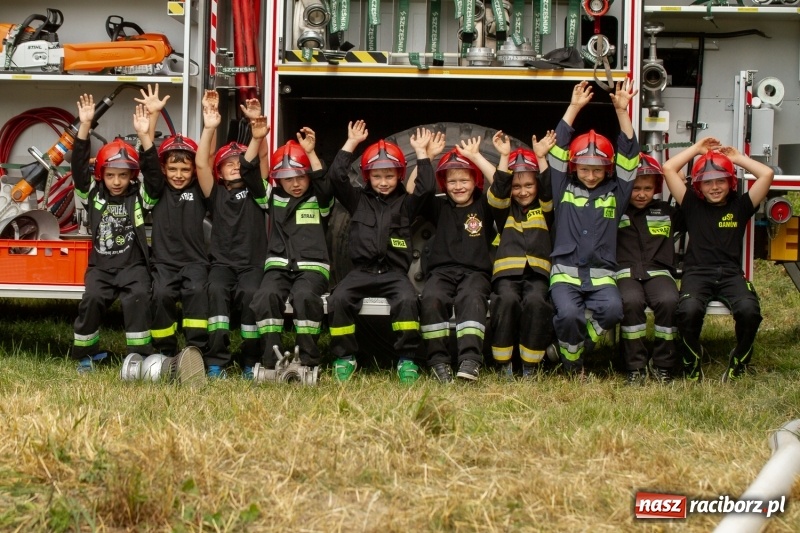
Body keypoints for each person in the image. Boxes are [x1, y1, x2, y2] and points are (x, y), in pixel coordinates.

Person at [326, 120, 435, 383]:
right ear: (367, 177)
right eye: (377, 176)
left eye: (389, 176)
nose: (383, 182)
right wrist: (351, 142)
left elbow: (427, 188)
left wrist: (421, 153)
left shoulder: (406, 205)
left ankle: (407, 360)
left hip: (394, 274)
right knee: (338, 299)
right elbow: (336, 177)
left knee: (407, 301)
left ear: (400, 175)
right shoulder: (357, 200)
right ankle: (345, 357)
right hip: (361, 273)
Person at [547, 80, 640, 377]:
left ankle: (572, 348)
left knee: (613, 310)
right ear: (574, 167)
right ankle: (573, 366)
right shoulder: (562, 188)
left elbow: (630, 158)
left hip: (601, 276)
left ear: (608, 169)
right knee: (569, 314)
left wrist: (622, 112)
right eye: (584, 169)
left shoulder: (617, 193)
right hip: (565, 275)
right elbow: (557, 151)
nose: (590, 175)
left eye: (597, 169)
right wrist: (573, 108)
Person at [662, 138, 773, 382]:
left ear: (731, 182)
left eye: (721, 180)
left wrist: (738, 158)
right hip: (697, 273)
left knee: (750, 311)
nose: (714, 187)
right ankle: (692, 359)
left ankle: (739, 360)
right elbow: (669, 168)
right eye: (707, 182)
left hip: (730, 274)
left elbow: (767, 174)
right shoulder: (691, 204)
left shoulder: (741, 206)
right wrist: (697, 150)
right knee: (688, 311)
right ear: (698, 186)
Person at [70, 93, 156, 372]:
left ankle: (139, 357)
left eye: (123, 175)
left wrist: (144, 137)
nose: (117, 181)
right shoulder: (92, 194)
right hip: (101, 268)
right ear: (101, 175)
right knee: (92, 300)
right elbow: (78, 167)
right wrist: (85, 126)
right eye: (110, 175)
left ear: (132, 175)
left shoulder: (141, 196)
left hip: (133, 267)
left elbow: (154, 176)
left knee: (138, 297)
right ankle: (86, 354)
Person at [195, 90, 269, 378]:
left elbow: (261, 159)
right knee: (215, 294)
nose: (236, 166)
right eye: (229, 163)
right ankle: (216, 361)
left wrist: (256, 126)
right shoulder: (215, 194)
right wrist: (209, 127)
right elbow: (202, 163)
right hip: (222, 265)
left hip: (252, 265)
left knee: (251, 296)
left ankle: (251, 359)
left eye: (240, 162)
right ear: (220, 171)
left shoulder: (257, 191)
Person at [248, 128, 332, 372]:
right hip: (278, 267)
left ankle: (308, 358)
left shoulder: (320, 198)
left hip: (312, 268)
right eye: (287, 178)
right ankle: (271, 358)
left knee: (305, 297)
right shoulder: (272, 197)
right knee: (265, 296)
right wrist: (256, 138)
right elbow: (247, 171)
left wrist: (310, 153)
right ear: (278, 179)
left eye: (301, 177)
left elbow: (324, 183)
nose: (295, 184)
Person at [133, 95, 210, 358]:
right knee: (161, 295)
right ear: (164, 169)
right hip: (164, 264)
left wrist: (210, 126)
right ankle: (165, 350)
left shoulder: (200, 190)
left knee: (197, 292)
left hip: (196, 263)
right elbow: (149, 164)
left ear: (193, 171)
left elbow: (204, 161)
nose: (178, 175)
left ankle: (196, 351)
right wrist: (150, 122)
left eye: (185, 169)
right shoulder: (157, 190)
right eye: (173, 168)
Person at [418, 136, 498, 383]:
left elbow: (501, 183)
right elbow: (416, 191)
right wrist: (426, 157)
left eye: (465, 180)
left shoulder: (485, 205)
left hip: (475, 273)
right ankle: (438, 362)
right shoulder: (438, 207)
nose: (458, 186)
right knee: (431, 299)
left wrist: (475, 157)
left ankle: (470, 361)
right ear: (444, 184)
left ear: (476, 181)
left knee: (471, 299)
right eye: (452, 181)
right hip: (441, 273)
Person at [485, 131, 557, 379]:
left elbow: (549, 190)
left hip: (537, 274)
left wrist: (541, 158)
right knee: (505, 302)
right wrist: (504, 157)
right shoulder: (504, 209)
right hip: (506, 274)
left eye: (529, 185)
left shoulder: (545, 208)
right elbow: (498, 192)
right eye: (516, 186)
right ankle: (504, 363)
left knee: (537, 303)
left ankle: (530, 365)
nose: (523, 192)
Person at [615, 154, 680, 385]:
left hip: (659, 272)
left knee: (669, 301)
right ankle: (635, 366)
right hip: (626, 273)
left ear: (657, 188)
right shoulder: (615, 210)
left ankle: (663, 365)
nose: (641, 194)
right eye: (635, 188)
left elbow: (690, 203)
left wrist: (678, 178)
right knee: (631, 302)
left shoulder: (666, 211)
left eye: (648, 188)